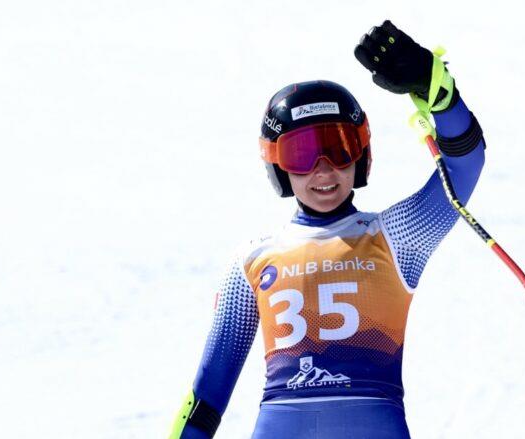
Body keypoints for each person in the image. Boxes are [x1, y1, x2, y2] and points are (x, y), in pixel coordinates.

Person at [170, 20, 486, 439]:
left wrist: (437, 90)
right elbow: (208, 395)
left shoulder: (397, 236)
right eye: (301, 155)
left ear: (361, 154)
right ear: (277, 165)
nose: (323, 170)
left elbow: (464, 165)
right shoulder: (252, 260)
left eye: (339, 148)